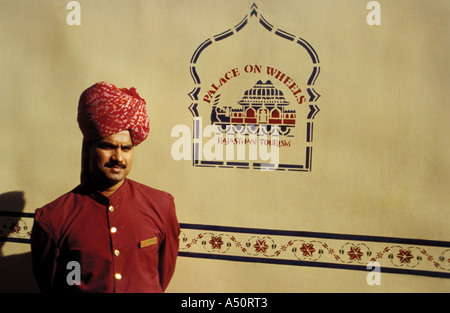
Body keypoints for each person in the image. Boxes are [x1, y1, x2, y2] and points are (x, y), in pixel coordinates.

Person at [30, 81, 180, 293]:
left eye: (126, 148)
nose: (118, 157)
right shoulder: (53, 219)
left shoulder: (161, 207)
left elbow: (162, 276)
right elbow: (51, 286)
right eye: (108, 146)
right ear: (88, 149)